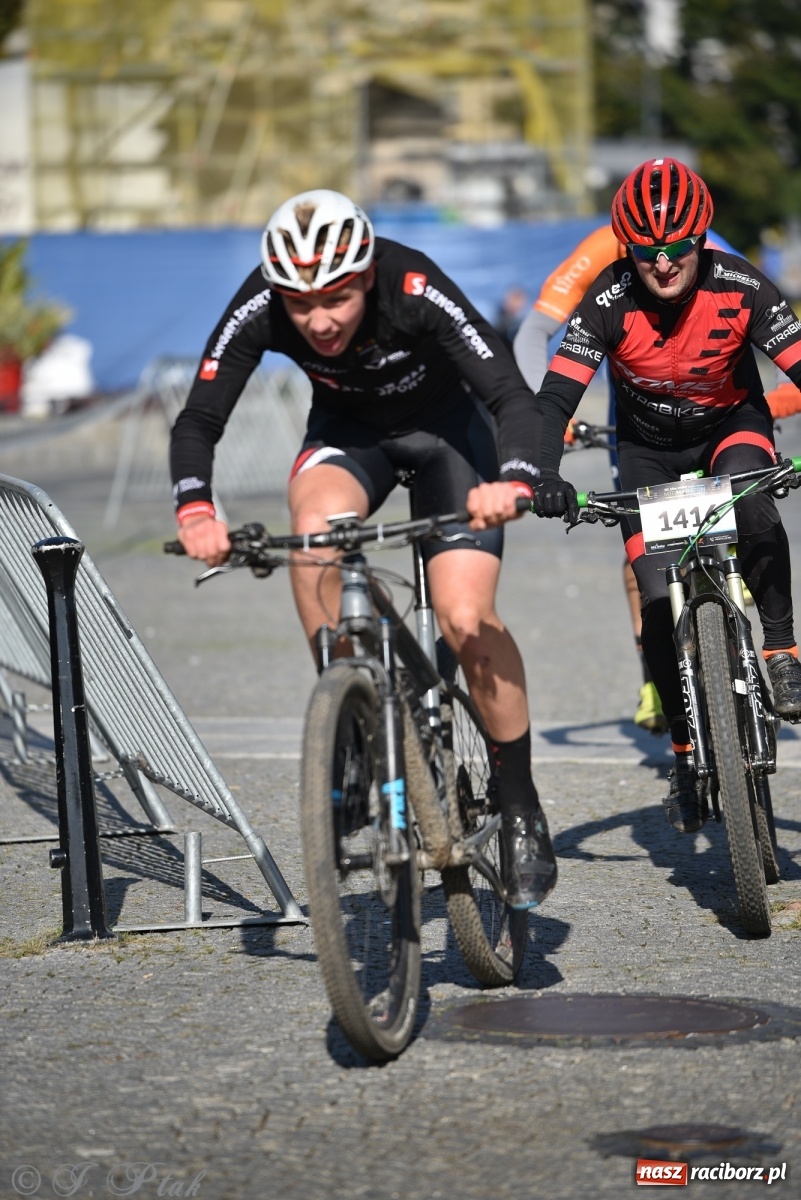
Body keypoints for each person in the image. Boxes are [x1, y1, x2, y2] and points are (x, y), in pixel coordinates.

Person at [170, 188, 557, 910]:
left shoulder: (412, 284)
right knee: (313, 541)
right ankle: (350, 716)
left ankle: (519, 804)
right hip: (350, 438)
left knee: (464, 617)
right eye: (300, 304)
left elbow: (508, 392)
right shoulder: (262, 301)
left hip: (451, 440)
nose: (318, 320)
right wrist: (196, 508)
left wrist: (514, 478)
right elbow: (199, 417)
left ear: (366, 275)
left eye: (338, 299)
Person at [529, 157, 801, 835]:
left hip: (730, 425)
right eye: (646, 250)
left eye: (677, 246)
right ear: (627, 248)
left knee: (752, 498)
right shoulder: (608, 297)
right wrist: (542, 472)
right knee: (654, 597)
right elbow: (555, 395)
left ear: (699, 238)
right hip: (645, 448)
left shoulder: (741, 284)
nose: (662, 262)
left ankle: (780, 651)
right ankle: (682, 747)